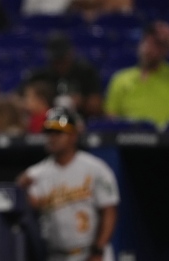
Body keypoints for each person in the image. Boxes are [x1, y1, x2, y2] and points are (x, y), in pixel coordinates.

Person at [16, 107, 120, 261]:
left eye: (59, 133)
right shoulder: (36, 173)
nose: (53, 137)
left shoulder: (95, 168)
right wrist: (20, 187)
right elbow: (31, 204)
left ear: (73, 136)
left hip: (91, 253)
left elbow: (109, 211)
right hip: (56, 255)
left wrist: (98, 249)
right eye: (50, 133)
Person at [104, 20, 169, 130]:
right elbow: (111, 116)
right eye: (147, 43)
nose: (149, 49)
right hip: (131, 139)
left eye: (157, 45)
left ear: (165, 51)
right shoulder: (121, 78)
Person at [22, 31, 104, 120]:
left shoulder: (86, 72)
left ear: (70, 54)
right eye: (56, 61)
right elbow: (19, 101)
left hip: (82, 123)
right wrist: (47, 103)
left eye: (62, 59)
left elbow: (96, 105)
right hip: (48, 123)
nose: (60, 64)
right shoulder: (41, 76)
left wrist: (81, 101)